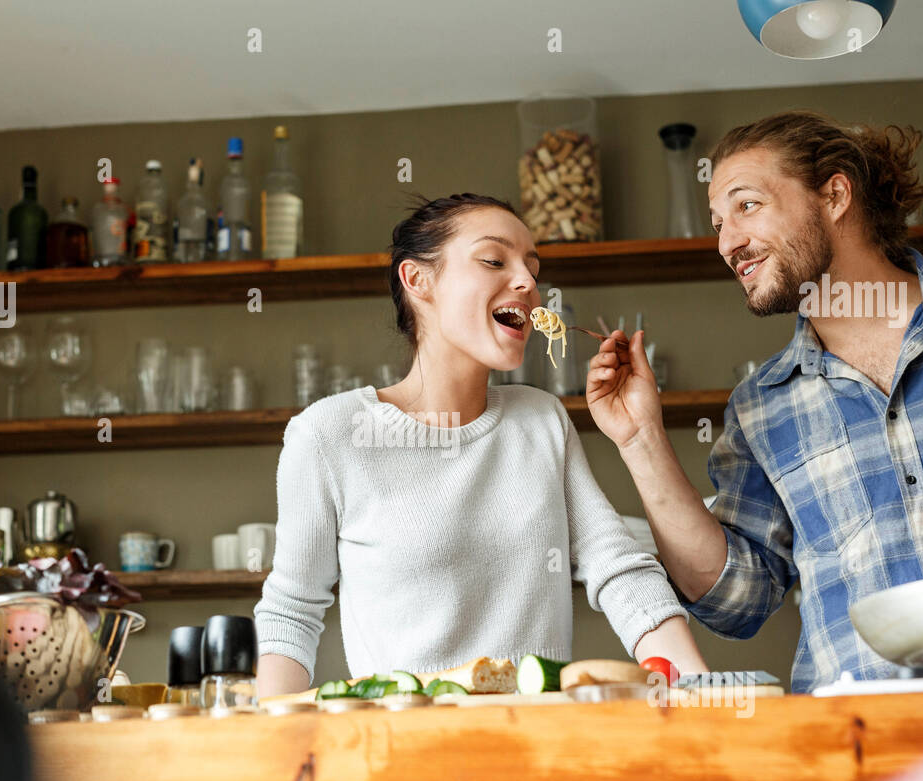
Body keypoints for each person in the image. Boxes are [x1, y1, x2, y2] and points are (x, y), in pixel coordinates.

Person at [586, 110, 923, 693]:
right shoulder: (760, 409)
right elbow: (736, 600)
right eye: (716, 223)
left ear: (834, 194)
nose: (727, 242)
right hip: (857, 738)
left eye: (746, 206)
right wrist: (640, 439)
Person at [254, 193, 707, 697]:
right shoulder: (328, 435)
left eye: (533, 269)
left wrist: (700, 686)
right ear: (417, 280)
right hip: (400, 754)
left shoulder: (541, 420)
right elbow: (292, 609)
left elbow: (617, 568)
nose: (529, 283)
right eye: (494, 260)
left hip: (537, 751)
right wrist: (272, 744)